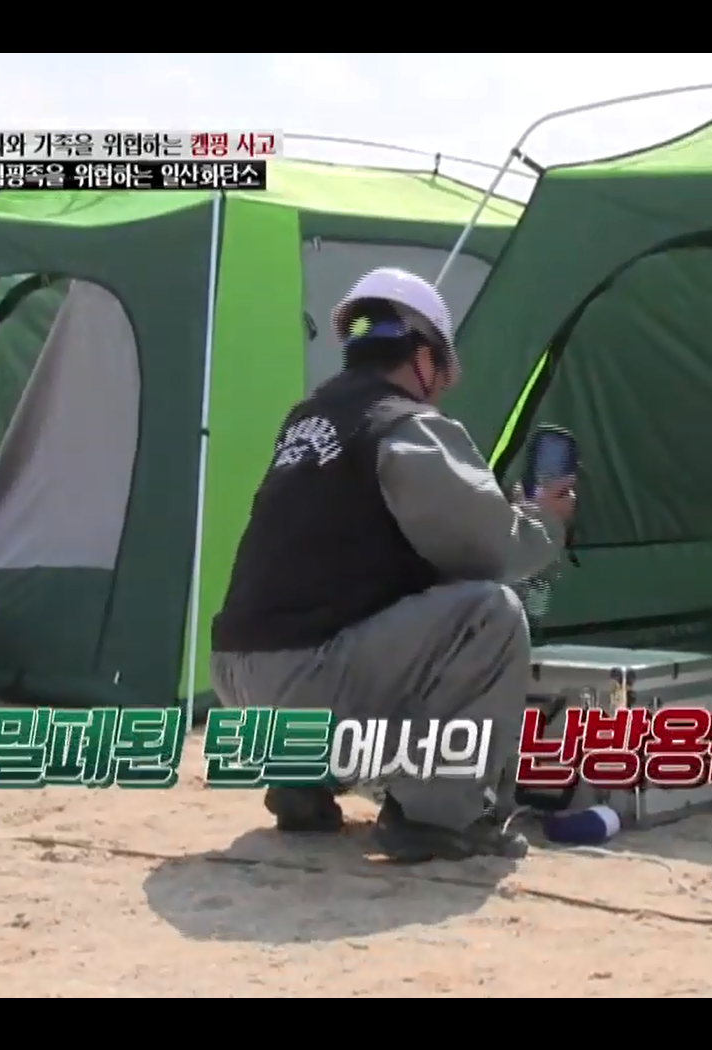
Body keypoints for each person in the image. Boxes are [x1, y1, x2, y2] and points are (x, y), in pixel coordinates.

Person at [210, 267, 577, 862]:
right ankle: (437, 815)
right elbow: (498, 551)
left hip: (236, 678)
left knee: (379, 606)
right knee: (489, 616)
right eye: (441, 373)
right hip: (304, 680)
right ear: (424, 358)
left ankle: (301, 778)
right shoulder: (405, 426)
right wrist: (545, 521)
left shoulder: (308, 419)